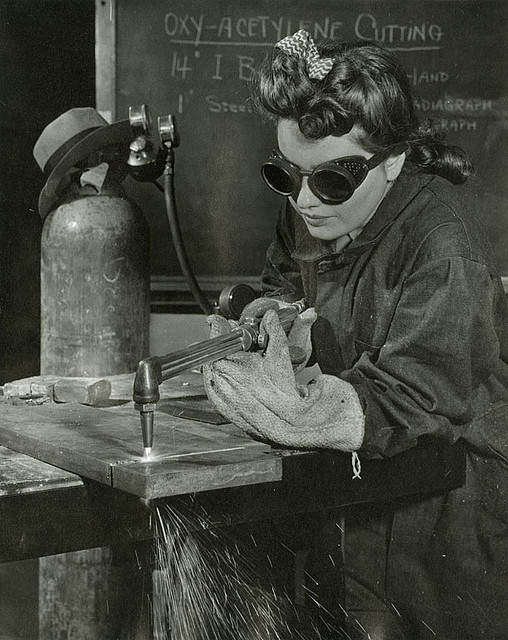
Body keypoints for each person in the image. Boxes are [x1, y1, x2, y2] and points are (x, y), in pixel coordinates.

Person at [203, 30, 508, 640]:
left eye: (333, 182)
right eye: (286, 176)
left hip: (446, 511)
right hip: (354, 490)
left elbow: (419, 398)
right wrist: (275, 320)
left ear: (393, 157)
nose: (307, 202)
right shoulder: (314, 209)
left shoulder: (443, 249)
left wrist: (310, 411)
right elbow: (285, 281)